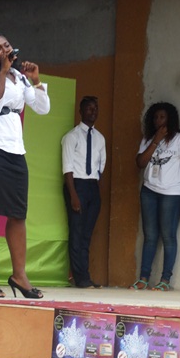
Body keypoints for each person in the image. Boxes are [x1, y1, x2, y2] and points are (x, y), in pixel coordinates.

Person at [0, 31, 50, 298]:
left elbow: (42, 108)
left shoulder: (20, 76)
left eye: (7, 45)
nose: (5, 50)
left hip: (15, 149)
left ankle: (19, 275)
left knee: (18, 214)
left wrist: (36, 81)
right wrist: (3, 72)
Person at [130, 102, 180, 292]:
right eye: (156, 117)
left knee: (168, 236)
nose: (159, 121)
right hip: (149, 191)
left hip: (172, 194)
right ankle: (143, 278)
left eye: (162, 117)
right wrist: (155, 141)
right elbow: (140, 162)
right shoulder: (148, 139)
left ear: (170, 119)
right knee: (150, 236)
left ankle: (165, 280)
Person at [61, 96, 106, 288]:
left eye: (95, 108)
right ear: (81, 111)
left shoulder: (100, 138)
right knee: (77, 232)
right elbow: (67, 168)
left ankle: (85, 275)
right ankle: (80, 278)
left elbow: (101, 166)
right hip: (76, 185)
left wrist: (94, 189)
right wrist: (73, 195)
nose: (93, 112)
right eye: (89, 108)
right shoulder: (71, 137)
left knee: (87, 234)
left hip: (92, 186)